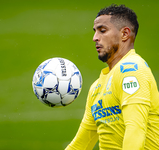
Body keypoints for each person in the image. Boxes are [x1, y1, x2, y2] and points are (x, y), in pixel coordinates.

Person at [65, 4, 159, 150]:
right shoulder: (97, 87)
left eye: (102, 31)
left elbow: (135, 130)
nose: (95, 38)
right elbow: (80, 145)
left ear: (125, 34)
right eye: (95, 31)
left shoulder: (132, 70)